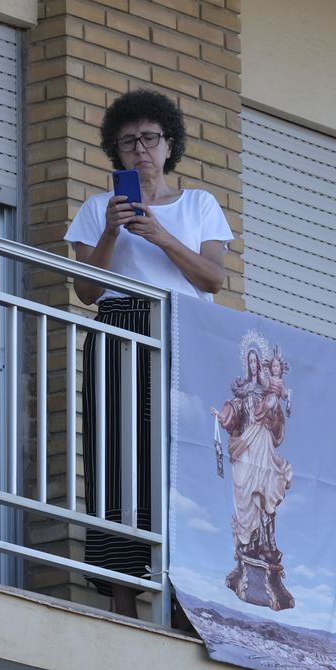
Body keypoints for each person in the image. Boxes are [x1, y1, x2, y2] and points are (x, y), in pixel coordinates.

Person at [64, 88, 234, 616]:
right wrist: (113, 231)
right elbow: (86, 291)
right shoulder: (97, 209)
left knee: (187, 456)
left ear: (169, 144)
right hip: (120, 327)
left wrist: (160, 235)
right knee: (117, 453)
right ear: (117, 153)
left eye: (150, 139)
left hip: (187, 333)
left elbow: (214, 278)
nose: (140, 150)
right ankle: (122, 594)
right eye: (128, 142)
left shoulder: (199, 205)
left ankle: (190, 591)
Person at [211, 341, 294, 610]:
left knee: (265, 492)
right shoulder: (241, 392)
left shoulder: (269, 390)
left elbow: (278, 421)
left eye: (257, 362)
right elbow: (233, 414)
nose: (254, 365)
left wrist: (272, 414)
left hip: (263, 445)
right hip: (245, 447)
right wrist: (223, 415)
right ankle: (248, 546)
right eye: (250, 362)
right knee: (245, 494)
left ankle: (265, 546)